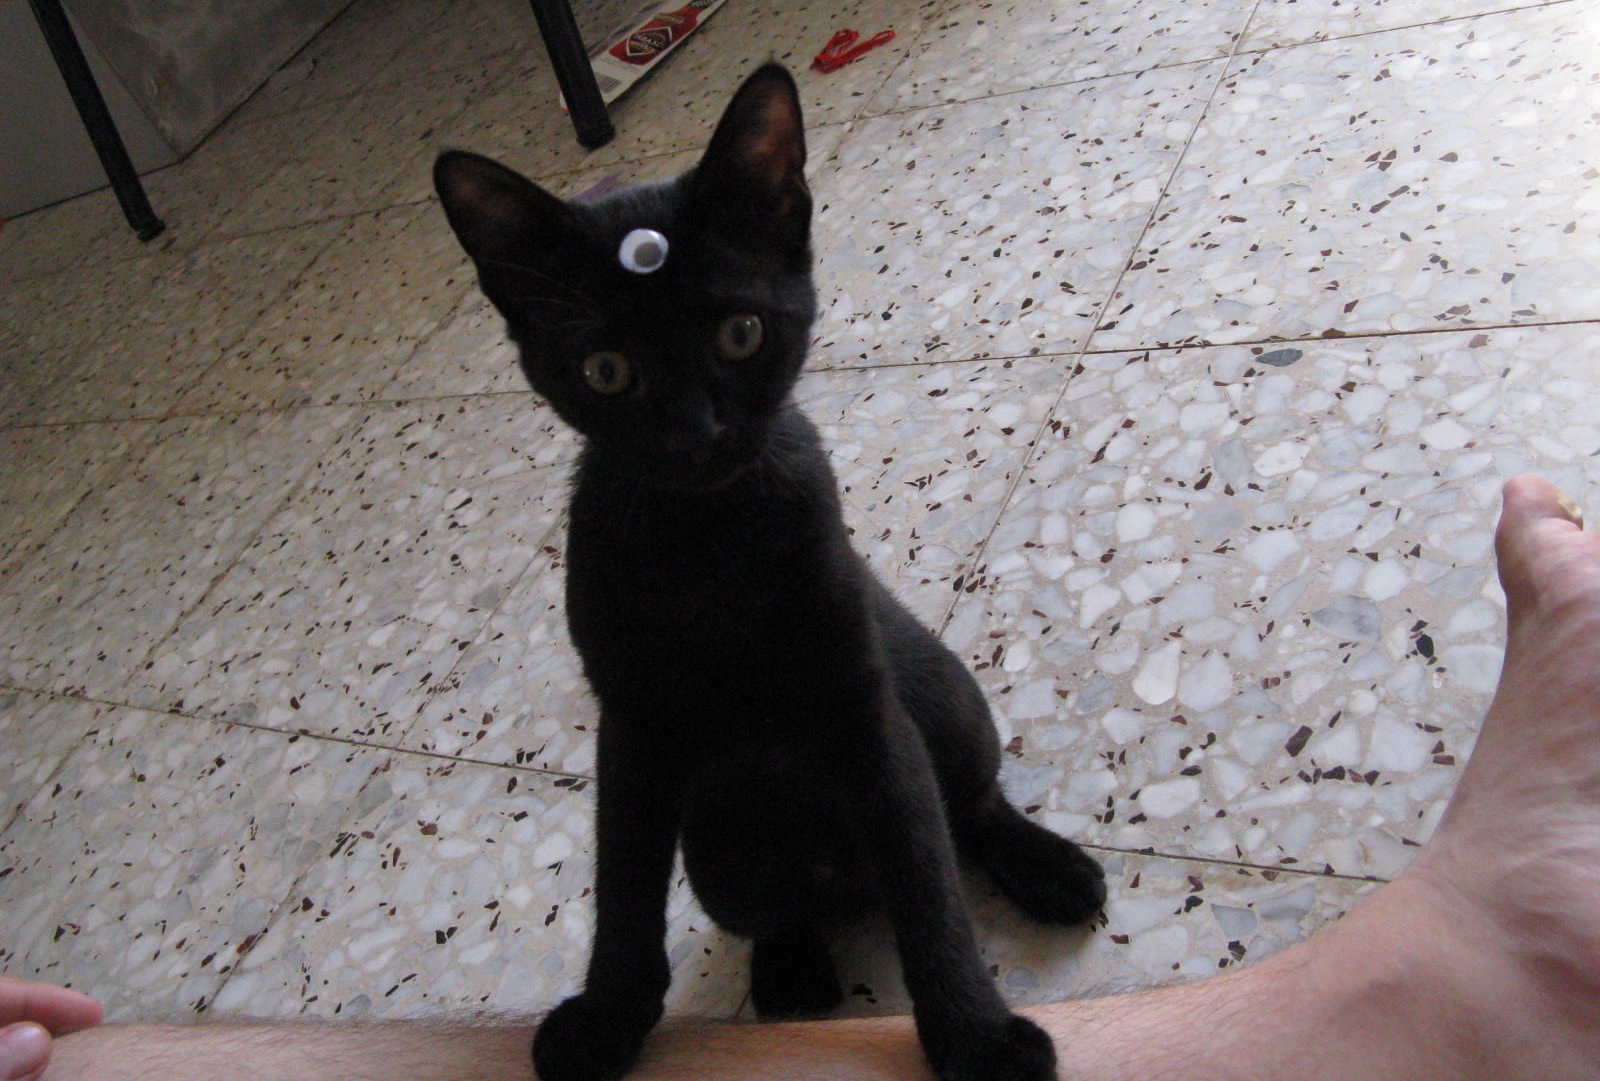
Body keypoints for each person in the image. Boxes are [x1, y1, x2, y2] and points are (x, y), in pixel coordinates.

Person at [15, 475, 1600, 1081]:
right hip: (746, 810)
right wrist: (624, 982)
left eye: (735, 343)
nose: (689, 418)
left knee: (928, 722)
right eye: (614, 380)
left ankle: (1462, 977)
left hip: (881, 762)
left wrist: (958, 991)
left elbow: (875, 730)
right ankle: (1468, 982)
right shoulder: (607, 542)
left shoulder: (785, 486)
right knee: (737, 875)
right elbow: (636, 759)